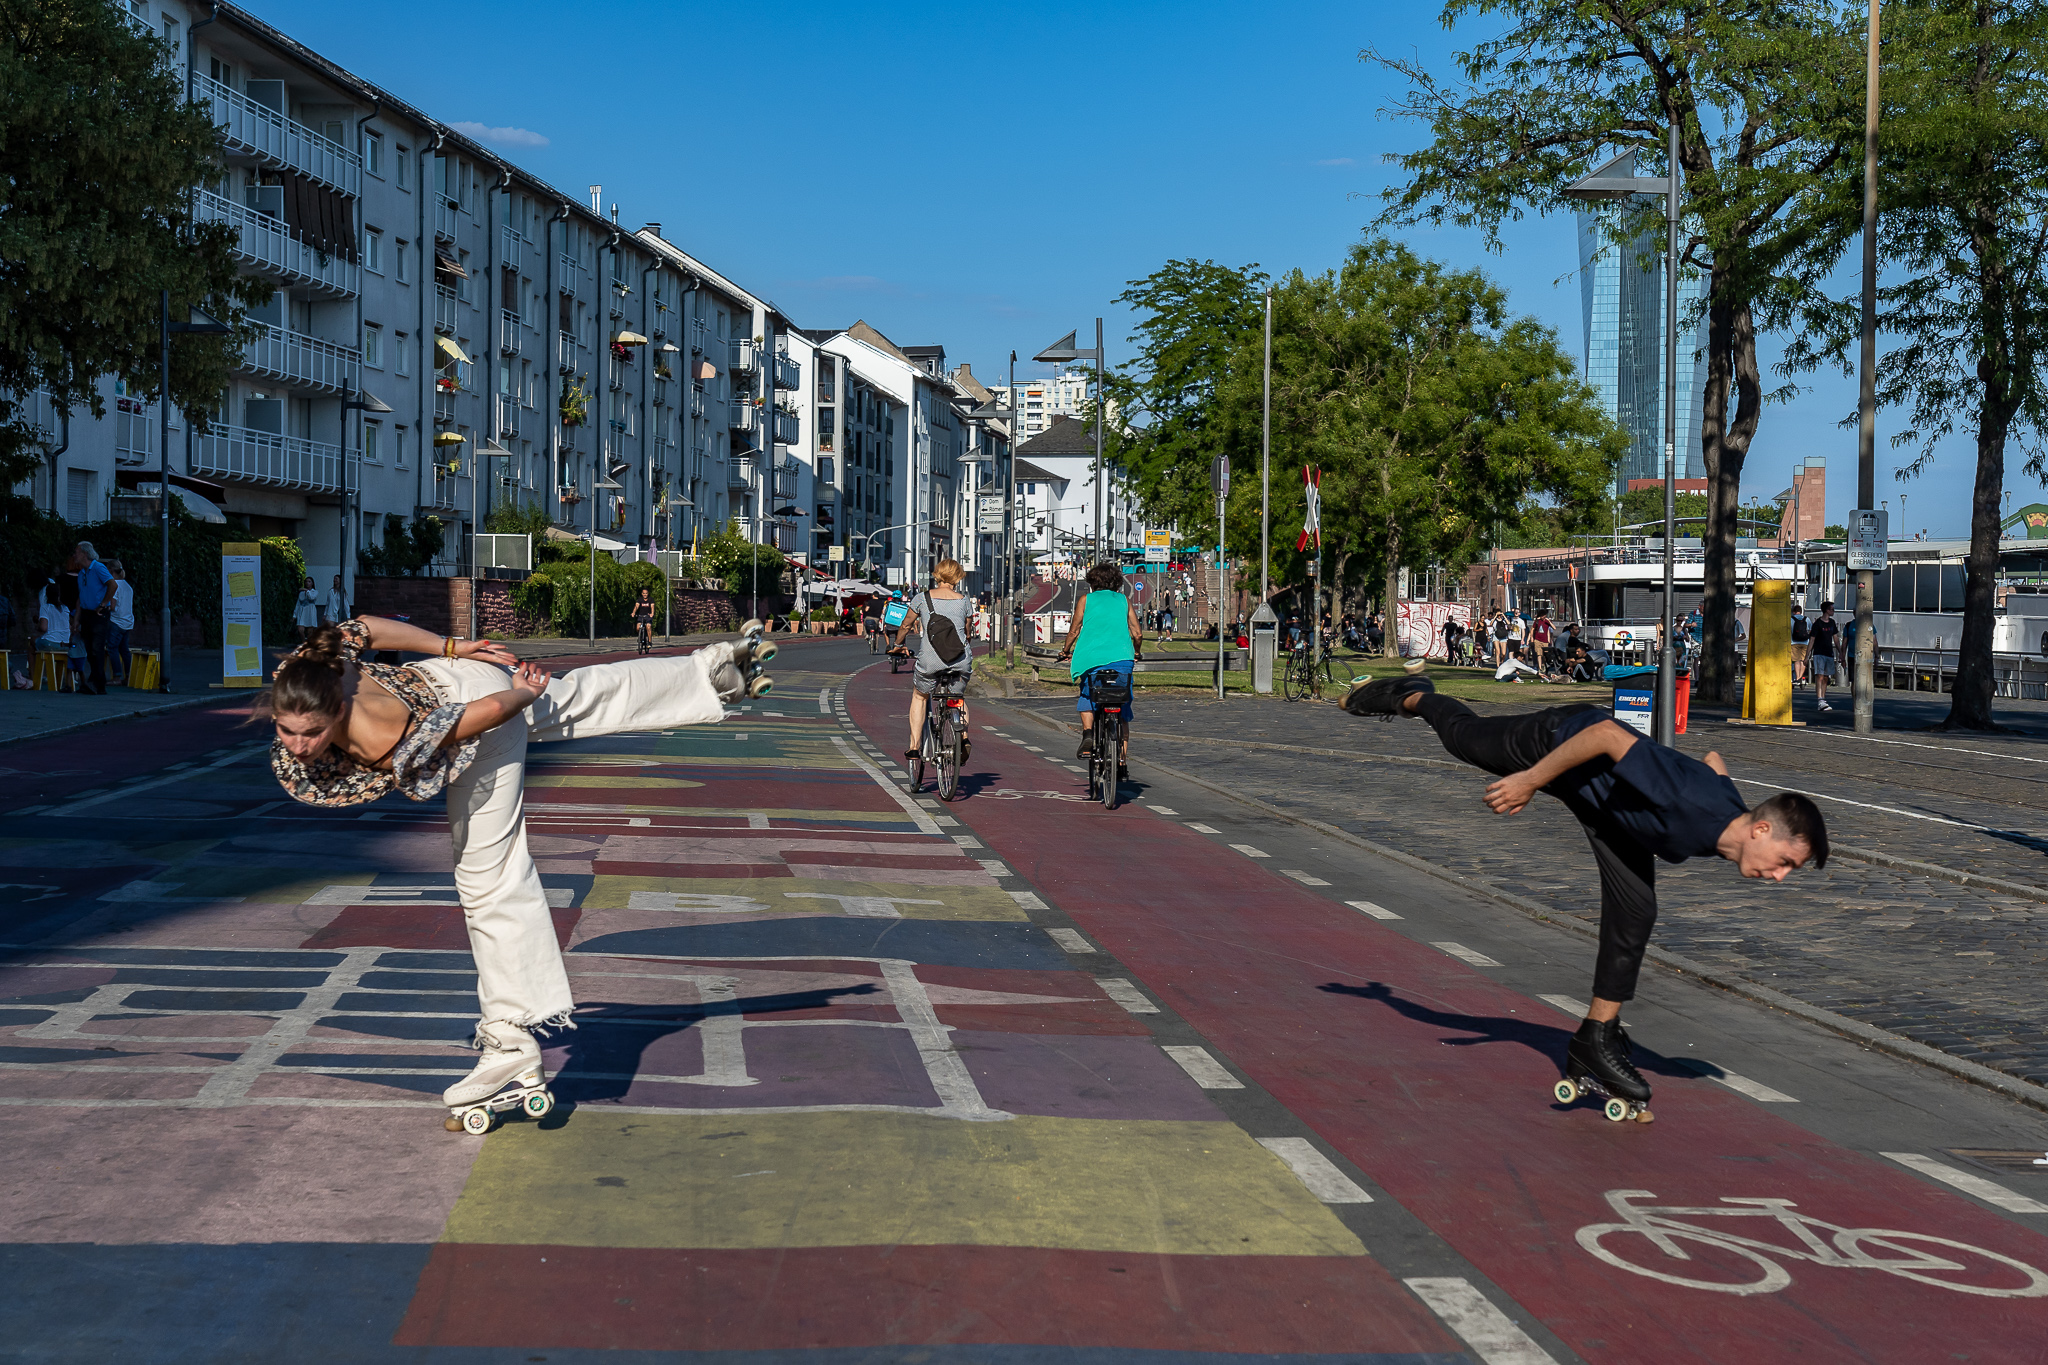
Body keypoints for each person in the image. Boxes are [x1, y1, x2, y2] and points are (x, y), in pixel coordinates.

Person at [263, 616, 765, 1126]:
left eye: (313, 732)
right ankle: (712, 673)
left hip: (478, 714)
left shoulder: (380, 739)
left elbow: (480, 717)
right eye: (287, 730)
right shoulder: (309, 668)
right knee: (576, 699)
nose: (299, 745)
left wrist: (521, 694)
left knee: (487, 873)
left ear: (339, 709)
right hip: (456, 674)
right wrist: (452, 645)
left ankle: (509, 1035)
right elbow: (364, 628)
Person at [1342, 668, 1828, 1117]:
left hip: (1609, 808)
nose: (1780, 876)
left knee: (1636, 910)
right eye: (1786, 862)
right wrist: (1530, 780)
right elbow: (1606, 735)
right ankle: (1410, 695)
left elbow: (1714, 761)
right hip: (1560, 741)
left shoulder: (1729, 814)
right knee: (1462, 737)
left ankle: (1596, 1036)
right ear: (1761, 830)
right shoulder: (1689, 801)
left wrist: (1663, 767)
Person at [1055, 561, 1143, 763]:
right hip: (1122, 659)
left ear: (1092, 582)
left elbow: (1074, 631)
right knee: (1122, 704)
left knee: (1088, 694)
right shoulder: (1124, 600)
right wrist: (1136, 651)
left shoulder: (1086, 600)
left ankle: (1087, 734)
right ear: (1117, 582)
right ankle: (1121, 761)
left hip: (1090, 659)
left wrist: (1065, 650)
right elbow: (1137, 633)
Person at [890, 559, 976, 765]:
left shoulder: (922, 598)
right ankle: (963, 738)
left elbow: (906, 625)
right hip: (960, 659)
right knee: (957, 697)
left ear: (937, 574)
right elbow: (967, 632)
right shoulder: (964, 601)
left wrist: (898, 644)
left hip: (931, 660)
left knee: (920, 696)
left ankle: (914, 747)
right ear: (957, 577)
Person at [72, 542, 115, 695]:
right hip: (87, 613)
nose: (74, 555)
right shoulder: (82, 573)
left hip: (98, 614)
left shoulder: (97, 568)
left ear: (84, 553)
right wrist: (76, 619)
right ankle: (97, 682)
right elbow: (81, 597)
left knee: (96, 648)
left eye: (77, 552)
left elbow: (112, 585)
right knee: (90, 650)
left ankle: (96, 683)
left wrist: (103, 604)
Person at [105, 560, 134, 685]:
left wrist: (103, 606)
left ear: (110, 570)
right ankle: (128, 676)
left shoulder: (114, 585)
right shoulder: (128, 586)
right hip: (128, 622)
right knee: (124, 650)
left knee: (112, 648)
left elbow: (112, 606)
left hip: (116, 621)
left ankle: (116, 676)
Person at [1809, 600, 1840, 713]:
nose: (1833, 611)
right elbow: (1812, 640)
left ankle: (1823, 698)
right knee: (1820, 676)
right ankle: (1820, 699)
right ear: (1826, 610)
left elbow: (1835, 638)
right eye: (1832, 609)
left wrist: (1840, 652)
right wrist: (1807, 655)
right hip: (1819, 652)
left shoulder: (1832, 623)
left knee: (1826, 677)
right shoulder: (1817, 624)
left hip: (1829, 652)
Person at [294, 576, 321, 644]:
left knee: (310, 631)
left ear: (312, 583)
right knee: (300, 629)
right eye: (306, 581)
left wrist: (307, 591)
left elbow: (311, 597)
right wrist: (294, 615)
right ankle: (303, 642)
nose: (307, 583)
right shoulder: (301, 593)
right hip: (302, 611)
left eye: (309, 582)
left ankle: (308, 644)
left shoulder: (315, 592)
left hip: (310, 611)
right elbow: (298, 604)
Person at [631, 587, 655, 655]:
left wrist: (652, 613)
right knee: (638, 627)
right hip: (640, 616)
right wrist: (633, 613)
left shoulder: (651, 599)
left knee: (648, 626)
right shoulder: (640, 600)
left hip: (648, 616)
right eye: (644, 593)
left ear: (648, 594)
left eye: (646, 593)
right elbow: (636, 606)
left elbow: (652, 607)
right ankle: (640, 637)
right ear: (642, 594)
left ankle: (649, 641)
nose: (645, 594)